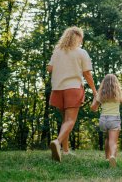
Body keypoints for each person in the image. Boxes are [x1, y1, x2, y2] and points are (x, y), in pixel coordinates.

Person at [47, 26, 97, 162]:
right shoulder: (81, 53)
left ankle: (65, 150)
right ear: (79, 38)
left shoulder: (57, 51)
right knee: (70, 121)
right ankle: (57, 142)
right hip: (73, 88)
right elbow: (87, 73)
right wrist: (94, 90)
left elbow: (49, 69)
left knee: (64, 121)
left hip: (58, 88)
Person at [90, 74, 122, 168]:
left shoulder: (100, 94)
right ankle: (113, 156)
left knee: (107, 138)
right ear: (116, 83)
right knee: (113, 142)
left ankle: (107, 158)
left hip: (103, 120)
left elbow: (93, 108)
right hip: (114, 119)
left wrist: (95, 98)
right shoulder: (119, 94)